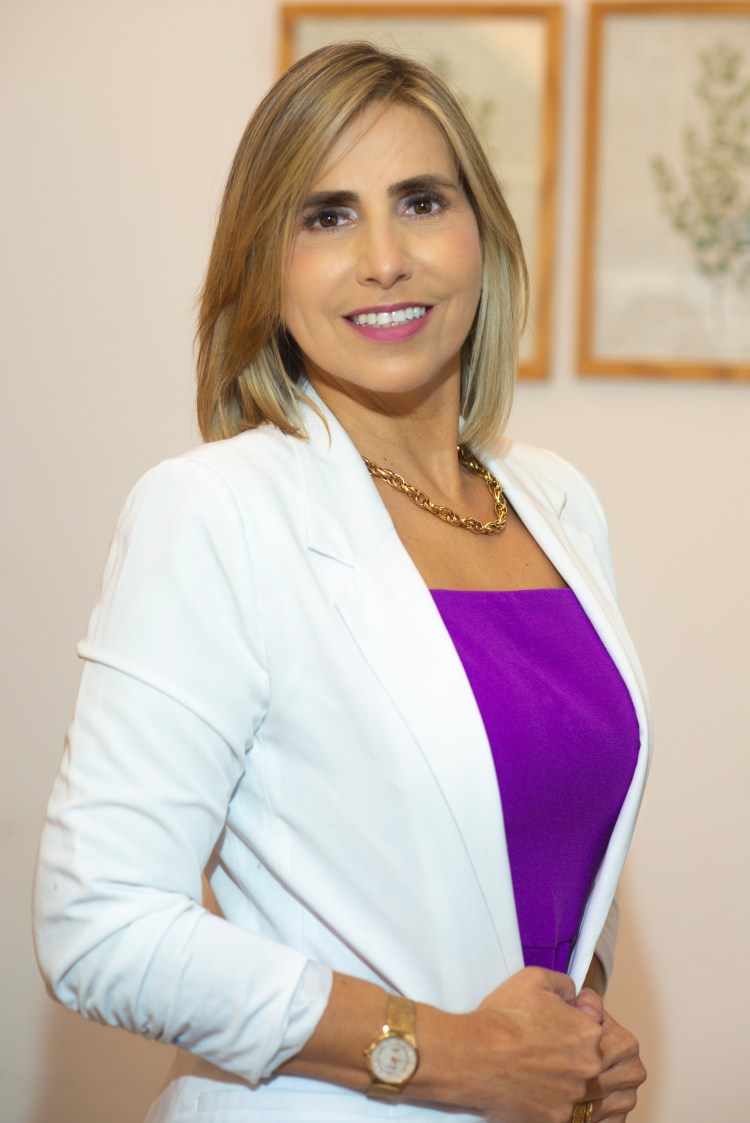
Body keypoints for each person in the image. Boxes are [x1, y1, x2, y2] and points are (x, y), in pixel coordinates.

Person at [33, 42, 651, 1123]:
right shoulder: (215, 513)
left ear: (483, 234)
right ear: (264, 269)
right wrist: (447, 1053)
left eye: (421, 201)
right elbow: (101, 925)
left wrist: (571, 1030)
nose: (384, 259)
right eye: (326, 216)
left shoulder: (558, 504)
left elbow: (526, 853)